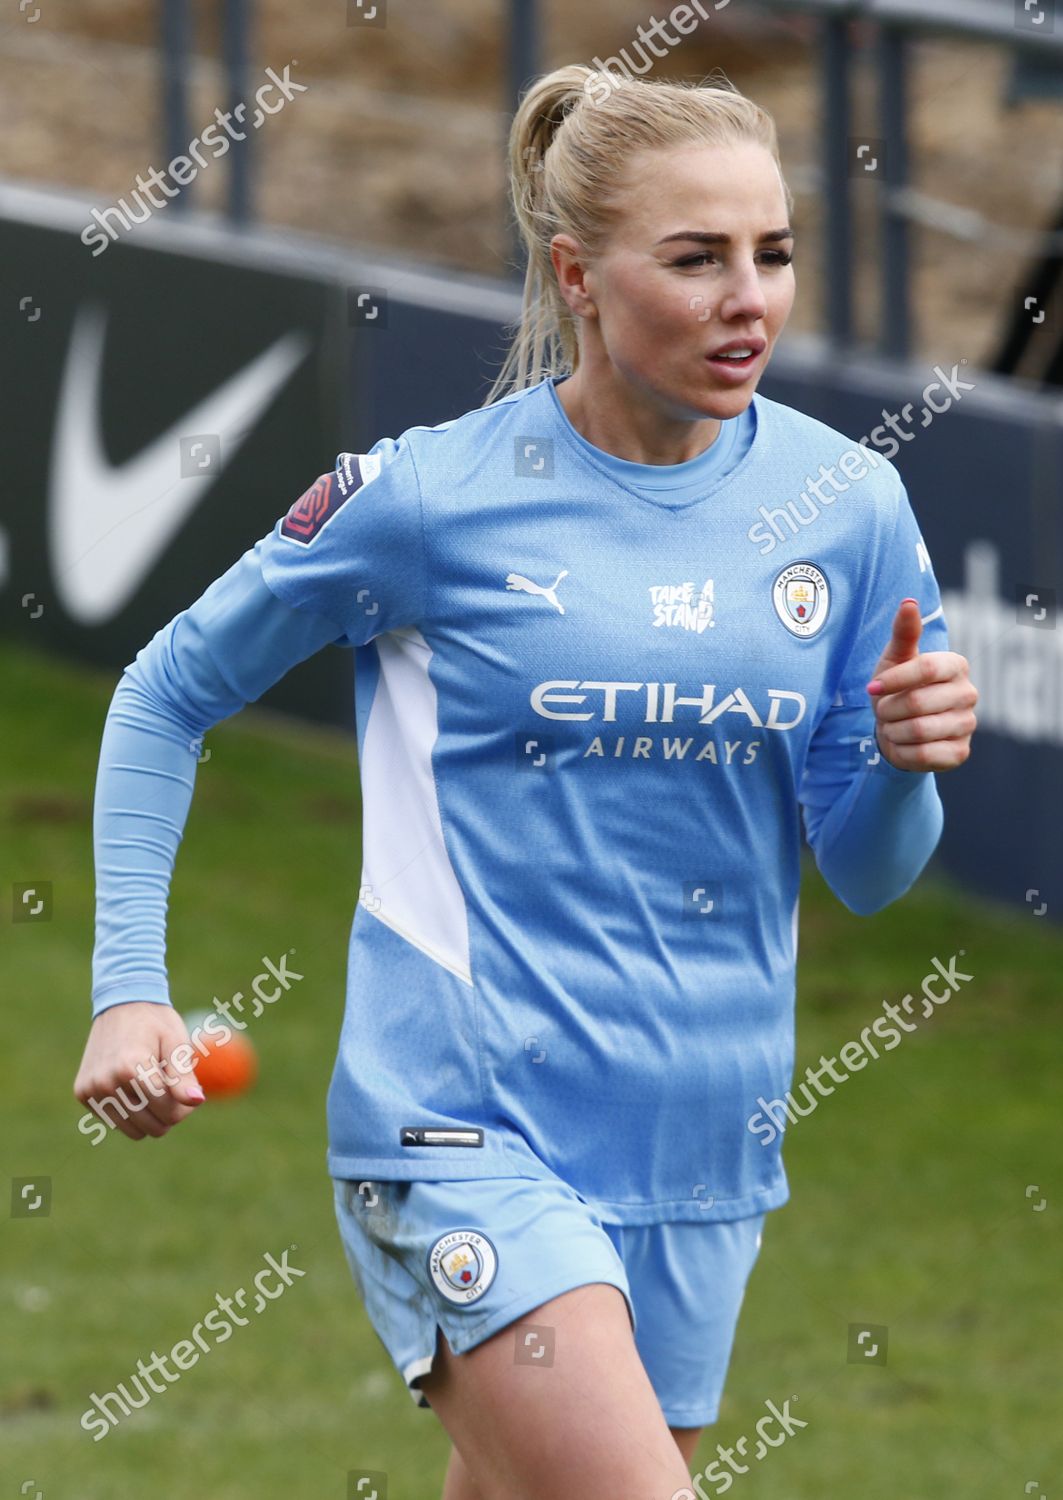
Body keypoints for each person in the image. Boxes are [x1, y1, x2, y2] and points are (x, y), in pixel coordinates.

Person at [75, 62, 978, 1500]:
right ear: (578, 274)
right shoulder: (429, 498)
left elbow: (866, 865)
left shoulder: (847, 506)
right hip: (462, 1130)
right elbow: (164, 693)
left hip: (703, 1148)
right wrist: (130, 986)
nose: (749, 296)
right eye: (695, 259)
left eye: (774, 253)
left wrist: (908, 762)